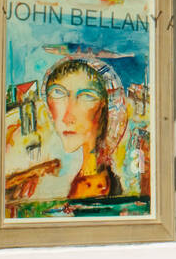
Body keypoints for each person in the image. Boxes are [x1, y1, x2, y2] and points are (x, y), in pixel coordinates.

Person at [43, 57, 127, 199]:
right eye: (58, 93)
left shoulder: (96, 187)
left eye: (87, 96)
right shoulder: (65, 175)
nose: (67, 117)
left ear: (104, 107)